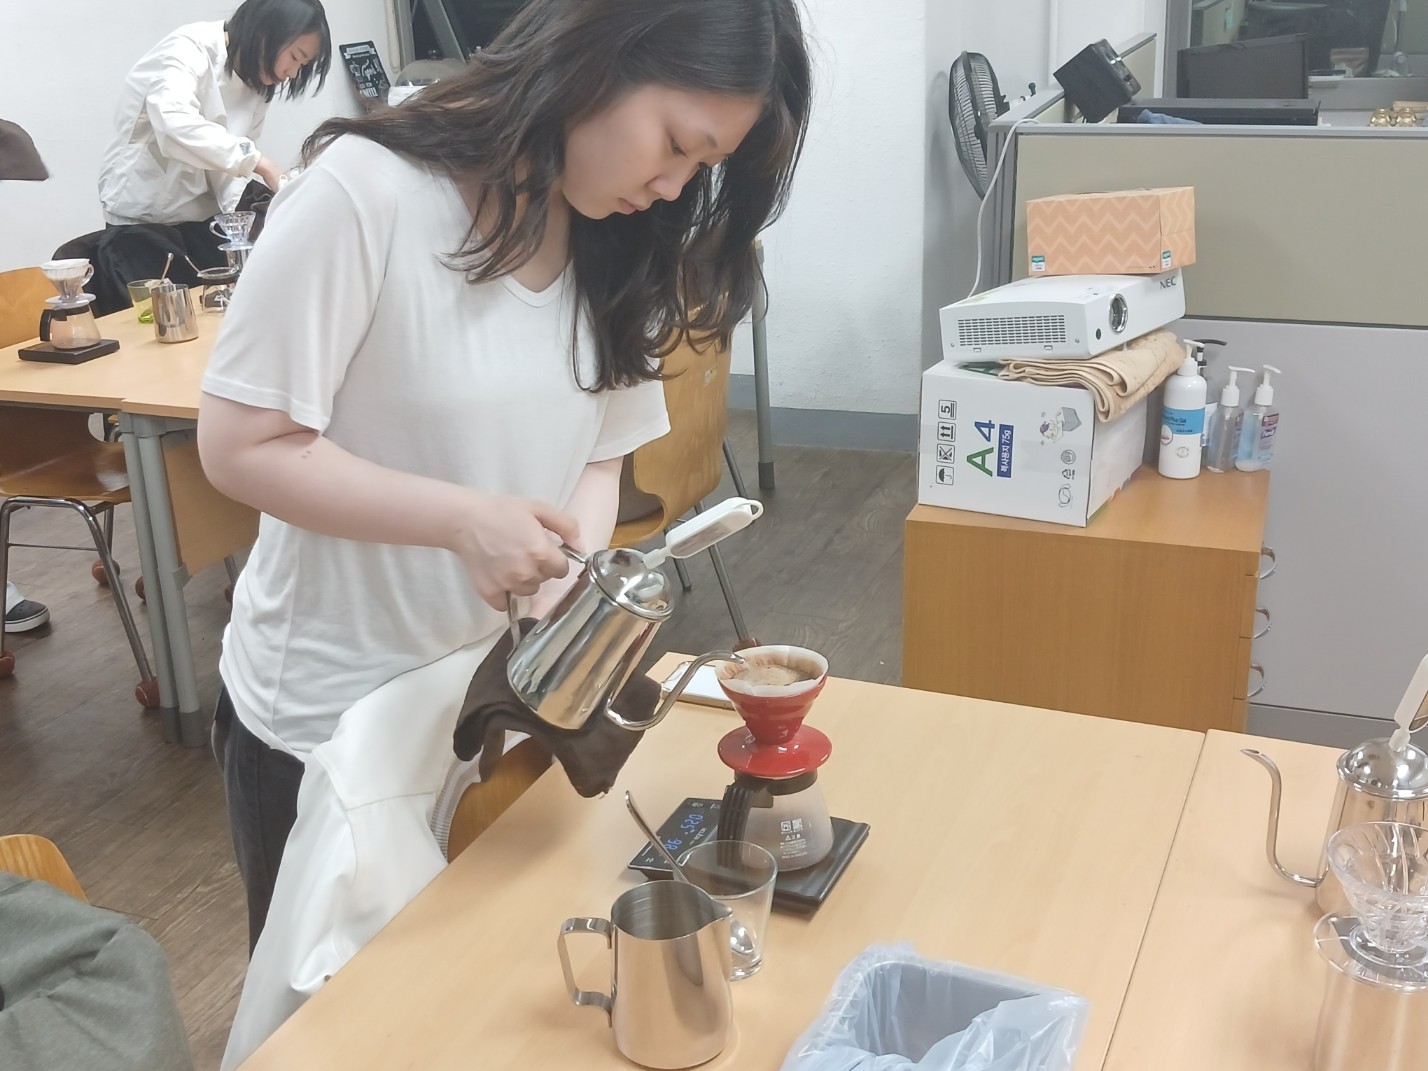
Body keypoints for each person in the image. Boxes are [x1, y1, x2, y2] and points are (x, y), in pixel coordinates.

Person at [196, 0, 811, 961]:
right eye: (675, 145)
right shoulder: (367, 190)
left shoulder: (617, 237)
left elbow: (602, 451)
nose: (673, 184)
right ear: (599, 57)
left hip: (486, 707)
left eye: (702, 167)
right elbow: (241, 445)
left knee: (464, 989)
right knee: (330, 1017)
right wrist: (462, 521)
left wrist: (571, 567)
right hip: (328, 722)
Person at [97, 0, 331, 264]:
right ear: (265, 33)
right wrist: (260, 163)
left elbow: (226, 162)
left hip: (199, 219)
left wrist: (252, 219)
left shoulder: (258, 84)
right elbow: (174, 125)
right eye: (295, 57)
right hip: (140, 218)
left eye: (303, 65)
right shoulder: (188, 48)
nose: (293, 73)